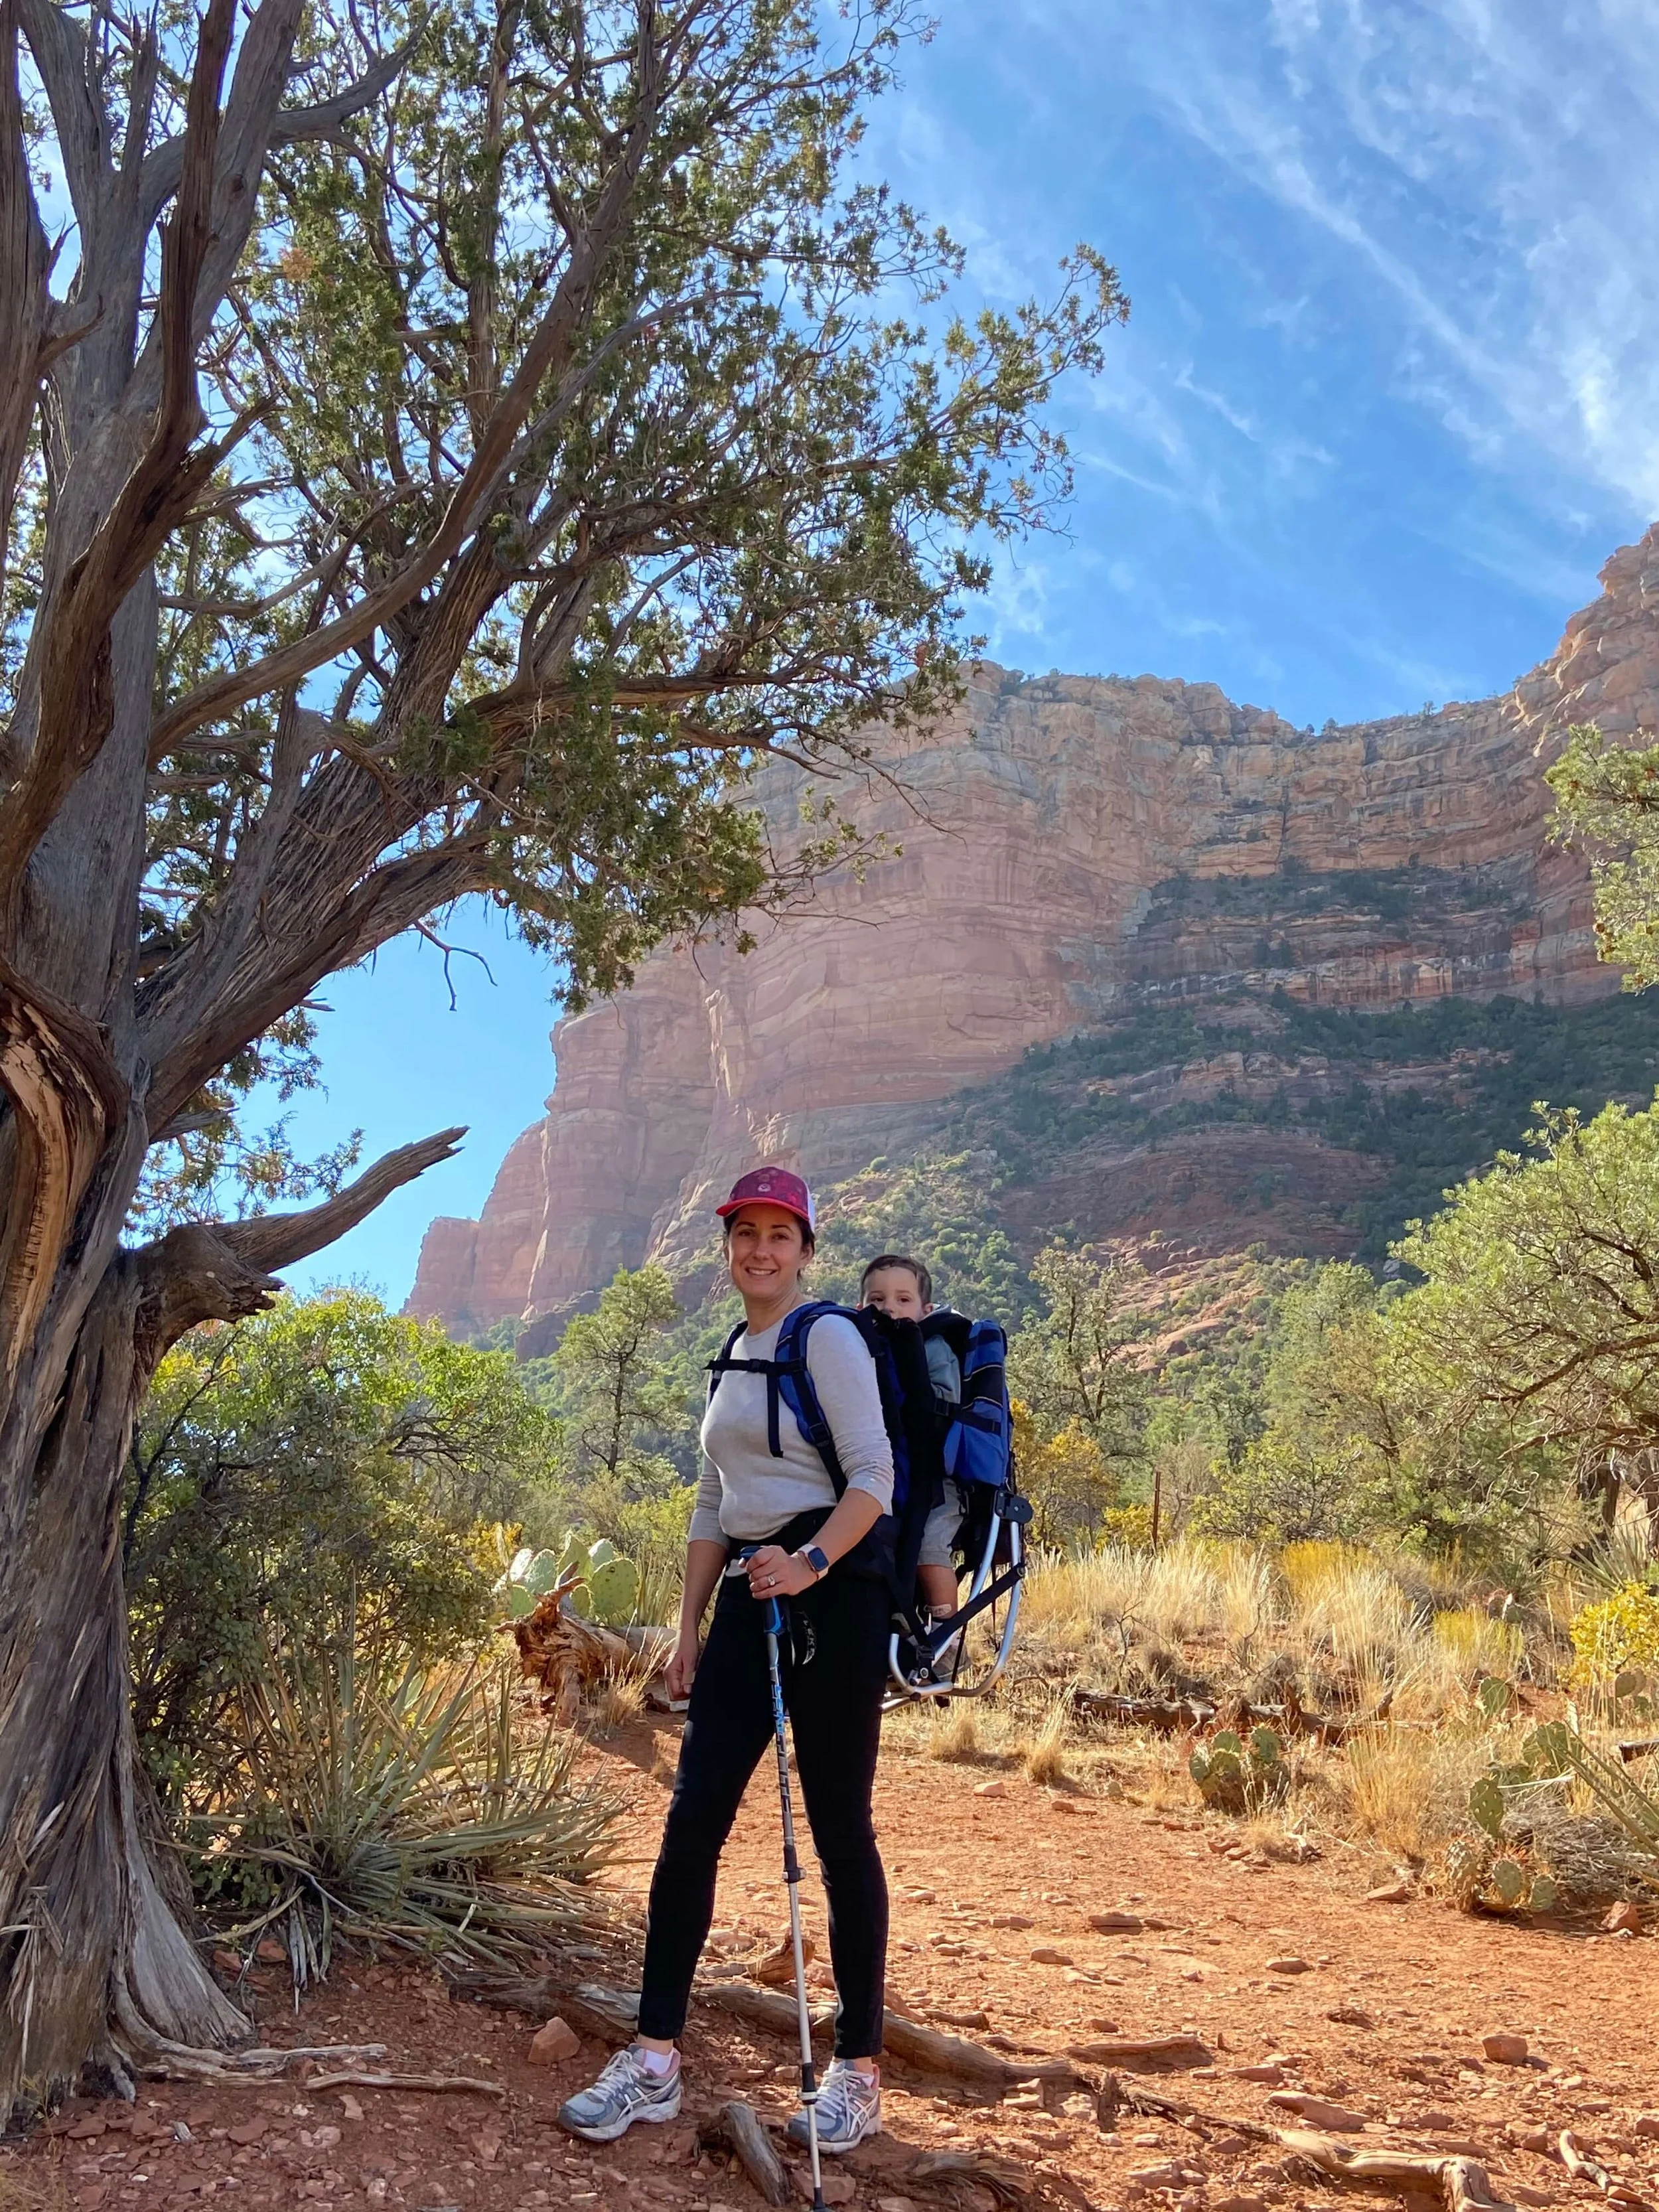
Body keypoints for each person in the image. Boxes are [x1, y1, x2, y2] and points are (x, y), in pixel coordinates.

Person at [558, 1165, 894, 2150]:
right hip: (752, 1596)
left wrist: (815, 1559)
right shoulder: (729, 1355)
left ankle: (859, 2067)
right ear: (727, 1246)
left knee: (839, 1830)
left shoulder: (827, 1335)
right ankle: (654, 2055)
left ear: (805, 1249)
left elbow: (872, 1475)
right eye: (745, 1232)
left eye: (779, 1235)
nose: (760, 1249)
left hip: (836, 1594)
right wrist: (688, 1627)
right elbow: (712, 1503)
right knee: (695, 1815)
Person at [860, 1254, 964, 1635]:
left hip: (939, 1476)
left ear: (926, 1309)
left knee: (929, 1547)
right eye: (877, 1300)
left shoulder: (934, 1349)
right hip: (885, 1469)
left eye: (903, 1300)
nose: (889, 1308)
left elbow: (943, 1407)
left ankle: (946, 1636)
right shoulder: (859, 1351)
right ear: (861, 1308)